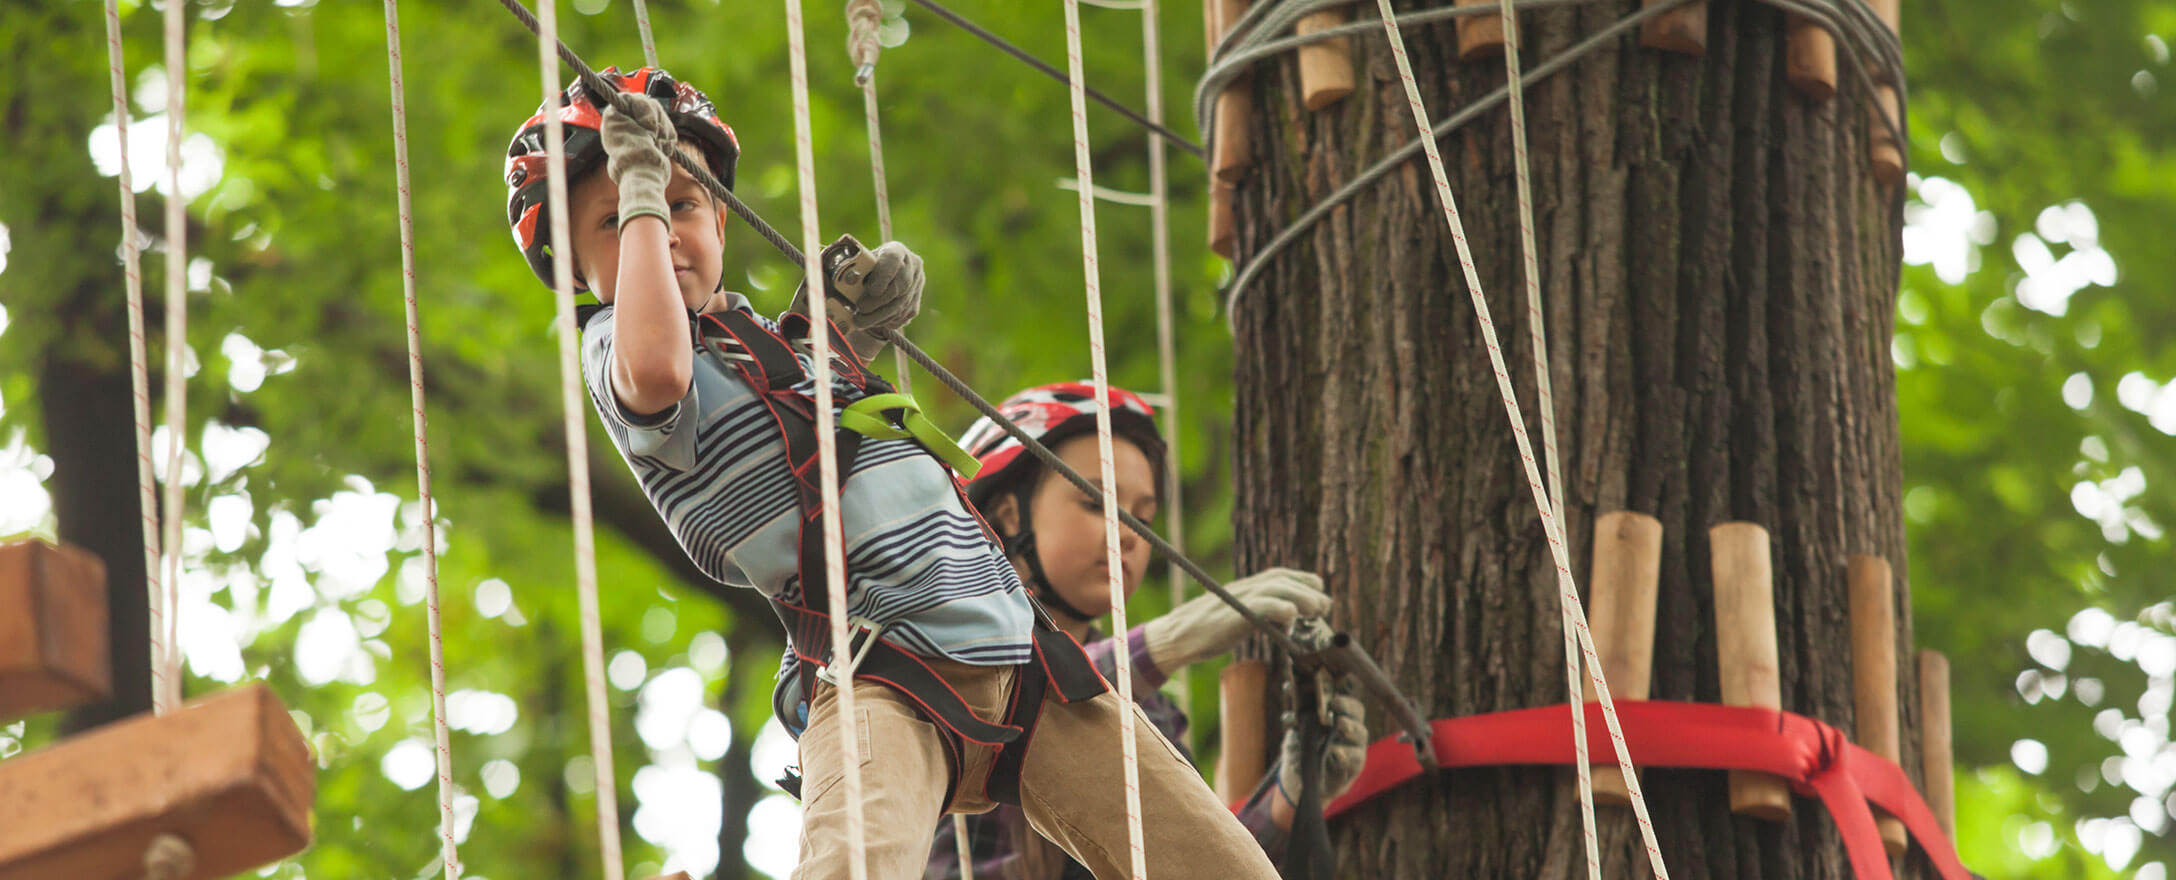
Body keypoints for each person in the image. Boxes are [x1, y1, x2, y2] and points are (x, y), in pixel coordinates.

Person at [502, 66, 1287, 880]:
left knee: (1226, 868)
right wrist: (638, 184)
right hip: (882, 673)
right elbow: (657, 369)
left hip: (1022, 660)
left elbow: (819, 449)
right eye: (620, 221)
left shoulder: (759, 345)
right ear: (576, 271)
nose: (663, 228)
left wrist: (849, 337)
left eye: (686, 205)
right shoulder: (617, 352)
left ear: (724, 225)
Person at [929, 383, 1370, 880]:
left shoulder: (1149, 710)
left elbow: (1184, 862)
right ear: (1009, 513)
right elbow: (1021, 695)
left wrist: (1289, 795)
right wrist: (1169, 641)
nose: (1128, 534)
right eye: (1096, 503)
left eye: (1143, 518)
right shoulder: (944, 653)